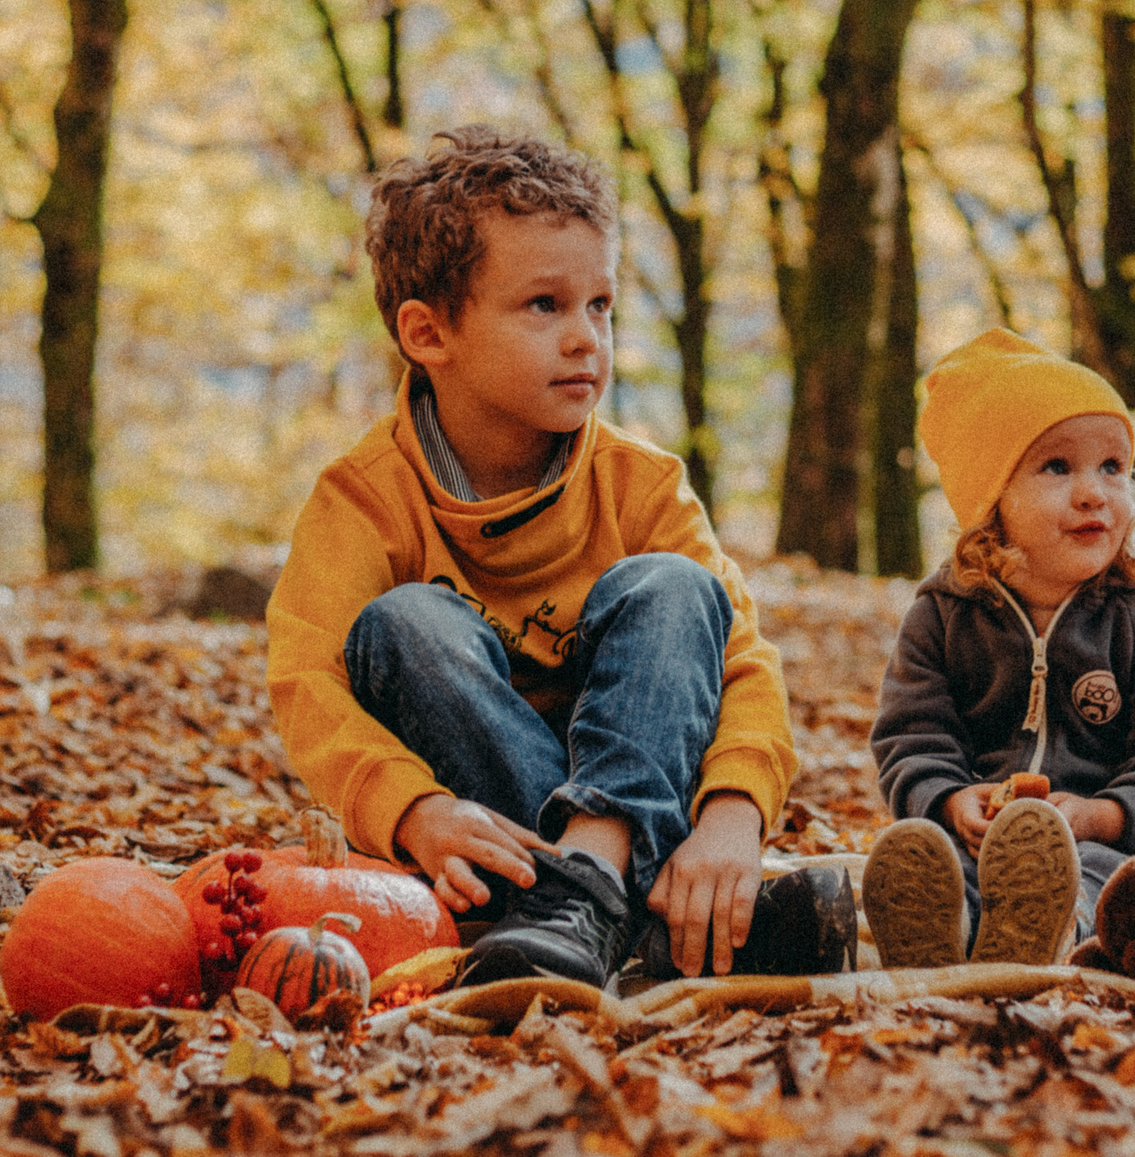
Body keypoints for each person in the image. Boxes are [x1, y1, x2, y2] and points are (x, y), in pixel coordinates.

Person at [267, 126, 854, 988]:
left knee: (676, 588)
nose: (586, 338)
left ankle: (591, 884)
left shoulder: (641, 484)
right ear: (429, 333)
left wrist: (733, 813)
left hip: (636, 784)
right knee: (403, 624)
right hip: (488, 829)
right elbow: (306, 683)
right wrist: (417, 811)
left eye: (601, 305)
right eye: (545, 305)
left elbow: (743, 664)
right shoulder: (365, 497)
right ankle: (650, 923)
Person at [865, 329, 1135, 967]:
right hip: (977, 844)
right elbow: (911, 736)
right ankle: (942, 929)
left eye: (1112, 467)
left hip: (1109, 850)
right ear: (992, 504)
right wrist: (948, 799)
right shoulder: (942, 618)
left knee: (1120, 893)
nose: (1094, 492)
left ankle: (1056, 924)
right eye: (1058, 467)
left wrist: (1100, 816)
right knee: (941, 867)